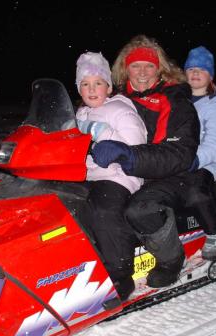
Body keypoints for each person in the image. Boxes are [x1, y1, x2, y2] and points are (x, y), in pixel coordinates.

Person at [91, 35, 200, 288]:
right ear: (124, 69)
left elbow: (179, 154)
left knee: (140, 209)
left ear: (159, 68)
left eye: (149, 65)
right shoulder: (112, 97)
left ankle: (171, 259)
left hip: (172, 174)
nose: (142, 72)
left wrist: (130, 156)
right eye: (135, 65)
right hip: (129, 171)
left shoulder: (175, 101)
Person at [74, 51, 147, 300]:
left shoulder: (120, 110)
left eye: (98, 83)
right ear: (78, 88)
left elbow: (136, 150)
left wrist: (105, 135)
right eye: (85, 84)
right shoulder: (79, 115)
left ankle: (121, 273)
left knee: (102, 210)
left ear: (108, 86)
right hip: (85, 176)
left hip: (119, 176)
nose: (92, 89)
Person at [183, 45, 216, 259]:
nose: (196, 73)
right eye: (191, 69)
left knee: (193, 189)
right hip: (180, 159)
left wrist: (196, 159)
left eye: (202, 69)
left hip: (207, 162)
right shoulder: (177, 101)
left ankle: (215, 232)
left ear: (210, 75)